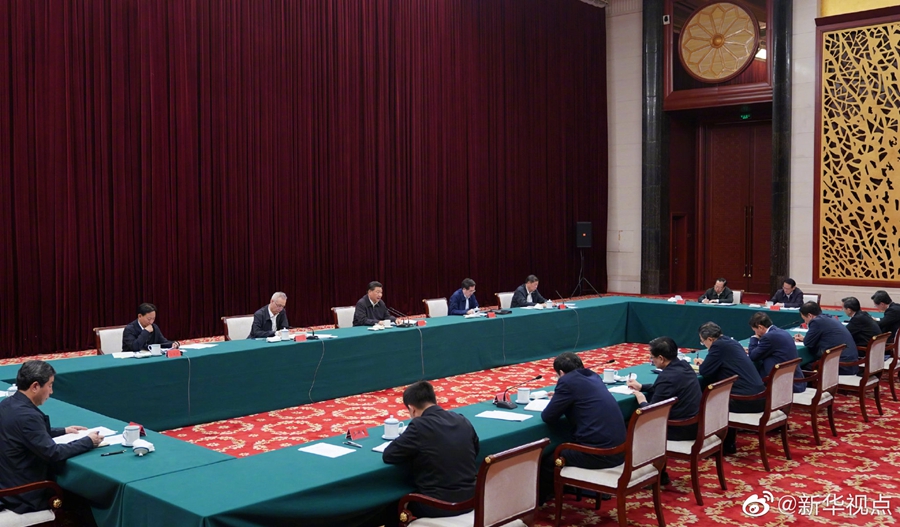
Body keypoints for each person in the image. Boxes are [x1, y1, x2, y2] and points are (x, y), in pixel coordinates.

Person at [0, 361, 102, 514]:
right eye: (50, 385)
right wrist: (88, 441)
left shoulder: (6, 404)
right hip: (24, 495)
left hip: (6, 485)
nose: (51, 391)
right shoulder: (28, 416)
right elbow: (53, 453)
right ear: (35, 386)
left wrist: (64, 431)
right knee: (85, 500)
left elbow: (26, 433)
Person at [382, 381, 479, 523]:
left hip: (438, 505)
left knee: (391, 507)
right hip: (471, 498)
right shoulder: (462, 419)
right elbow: (476, 450)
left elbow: (389, 455)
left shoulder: (419, 426)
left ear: (412, 409)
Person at [540, 352, 626, 500]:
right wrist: (561, 398)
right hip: (620, 449)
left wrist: (560, 399)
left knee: (547, 461)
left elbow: (548, 417)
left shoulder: (566, 381)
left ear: (561, 373)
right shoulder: (593, 376)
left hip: (599, 454)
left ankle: (543, 500)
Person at [626, 337, 701, 486]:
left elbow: (651, 413)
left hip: (680, 429)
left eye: (652, 357)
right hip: (695, 423)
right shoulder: (684, 366)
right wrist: (642, 387)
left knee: (631, 424)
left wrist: (641, 399)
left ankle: (653, 475)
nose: (652, 360)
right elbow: (665, 388)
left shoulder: (667, 377)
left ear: (661, 358)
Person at [694, 322, 765, 454]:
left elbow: (704, 371)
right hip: (760, 395)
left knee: (708, 401)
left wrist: (706, 363)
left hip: (746, 400)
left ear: (710, 339)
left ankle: (721, 445)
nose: (704, 345)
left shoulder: (718, 346)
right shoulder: (731, 342)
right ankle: (727, 443)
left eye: (703, 342)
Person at [794, 302, 858, 375]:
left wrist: (805, 339)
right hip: (851, 363)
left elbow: (808, 343)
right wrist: (804, 338)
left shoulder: (816, 322)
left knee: (800, 367)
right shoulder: (828, 317)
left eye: (805, 319)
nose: (805, 322)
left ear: (810, 315)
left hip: (841, 365)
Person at [747, 313, 806, 393]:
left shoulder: (768, 337)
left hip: (782, 383)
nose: (755, 333)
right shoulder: (782, 332)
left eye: (755, 330)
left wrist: (754, 339)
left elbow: (753, 356)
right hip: (795, 381)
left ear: (760, 327)